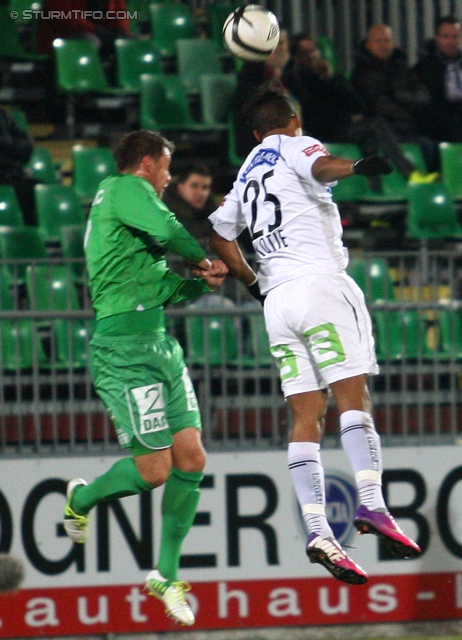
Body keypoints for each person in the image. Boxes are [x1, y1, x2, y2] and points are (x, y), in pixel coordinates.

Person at [208, 84, 421, 585]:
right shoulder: (296, 143)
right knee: (353, 397)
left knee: (307, 414)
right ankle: (371, 505)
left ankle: (318, 530)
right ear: (294, 121)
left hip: (278, 303)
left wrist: (255, 285)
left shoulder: (246, 172)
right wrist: (356, 167)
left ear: (255, 132)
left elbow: (220, 234)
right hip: (319, 285)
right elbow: (321, 167)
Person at [62, 129, 227, 626]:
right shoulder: (121, 189)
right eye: (166, 168)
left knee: (192, 457)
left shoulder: (135, 231)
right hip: (124, 351)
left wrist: (198, 283)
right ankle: (81, 498)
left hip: (158, 345)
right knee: (155, 471)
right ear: (148, 163)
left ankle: (165, 574)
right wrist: (202, 258)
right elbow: (173, 228)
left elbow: (164, 291)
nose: (169, 178)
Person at [282, 34, 437, 185]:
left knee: (369, 138)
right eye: (305, 53)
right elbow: (313, 110)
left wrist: (332, 78)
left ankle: (375, 184)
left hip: (341, 126)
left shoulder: (328, 76)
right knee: (376, 124)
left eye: (314, 50)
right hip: (322, 131)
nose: (312, 55)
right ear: (295, 57)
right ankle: (409, 172)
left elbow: (357, 104)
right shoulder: (295, 80)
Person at [351, 24, 439, 172]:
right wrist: (404, 110)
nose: (384, 45)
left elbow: (423, 96)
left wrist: (397, 96)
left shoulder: (401, 67)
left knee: (431, 145)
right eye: (378, 41)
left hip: (409, 128)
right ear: (368, 44)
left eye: (387, 40)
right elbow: (375, 102)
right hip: (385, 130)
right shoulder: (362, 72)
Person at [233, 28, 291, 158]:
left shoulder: (290, 73)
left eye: (281, 43)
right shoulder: (252, 72)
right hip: (261, 142)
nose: (278, 49)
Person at [412, 15, 462, 142]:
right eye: (446, 37)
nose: (451, 41)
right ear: (437, 38)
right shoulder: (424, 67)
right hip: (438, 125)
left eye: (455, 37)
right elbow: (427, 105)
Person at [161, 162, 216, 251]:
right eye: (194, 186)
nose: (200, 193)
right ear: (180, 187)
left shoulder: (215, 218)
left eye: (205, 187)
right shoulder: (163, 214)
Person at [0, 107, 39, 225]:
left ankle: (30, 238)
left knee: (40, 191)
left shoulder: (3, 116)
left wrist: (5, 147)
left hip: (11, 174)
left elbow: (27, 147)